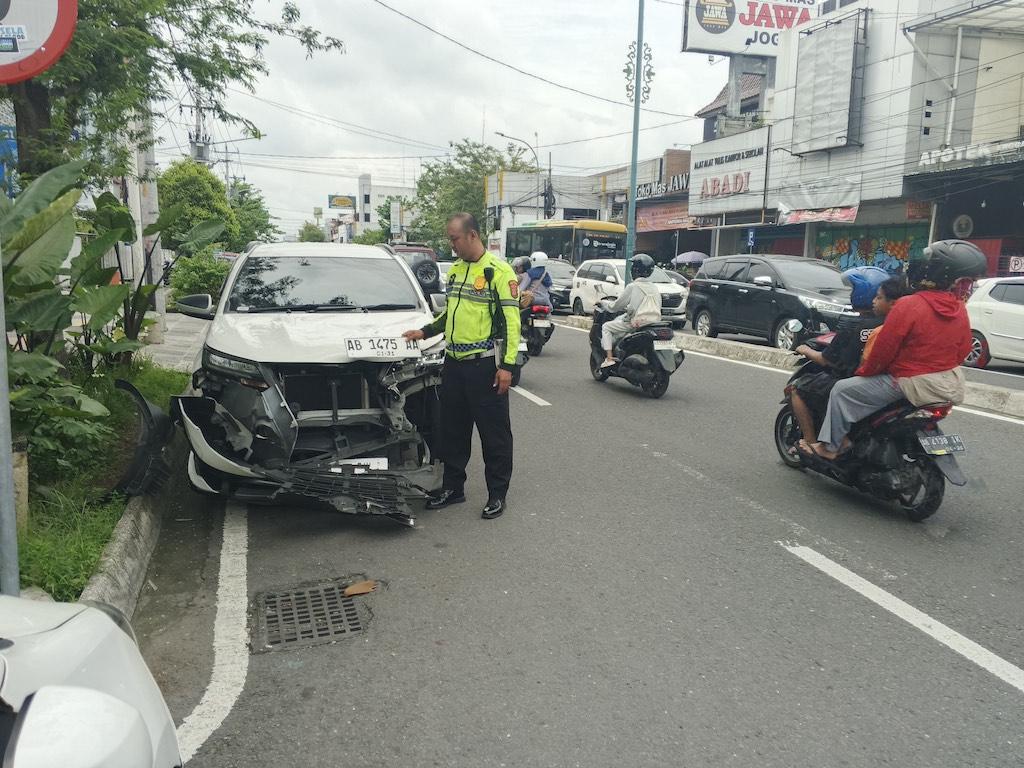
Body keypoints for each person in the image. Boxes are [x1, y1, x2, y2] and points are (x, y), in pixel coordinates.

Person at [809, 240, 987, 460]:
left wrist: (864, 372)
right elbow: (962, 351)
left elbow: (883, 351)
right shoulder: (959, 309)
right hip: (948, 386)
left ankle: (831, 447)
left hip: (909, 383)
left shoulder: (908, 304)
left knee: (841, 390)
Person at [402, 213, 520, 519]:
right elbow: (449, 315)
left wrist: (507, 366)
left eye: (454, 239)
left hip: (484, 367)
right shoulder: (455, 271)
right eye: (449, 239)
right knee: (452, 431)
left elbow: (512, 322)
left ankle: (497, 494)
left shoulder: (498, 272)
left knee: (494, 434)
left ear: (472, 235)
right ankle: (453, 488)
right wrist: (425, 331)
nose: (451, 245)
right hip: (453, 364)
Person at [789, 266, 890, 455]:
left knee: (798, 389)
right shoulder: (893, 323)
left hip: (851, 380)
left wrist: (804, 349)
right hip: (883, 381)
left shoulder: (854, 326)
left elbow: (827, 361)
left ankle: (811, 443)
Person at [599, 253, 662, 368]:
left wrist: (604, 304)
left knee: (606, 327)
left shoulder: (633, 287)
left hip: (638, 323)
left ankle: (608, 358)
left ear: (636, 270)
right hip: (655, 323)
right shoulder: (654, 287)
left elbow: (616, 306)